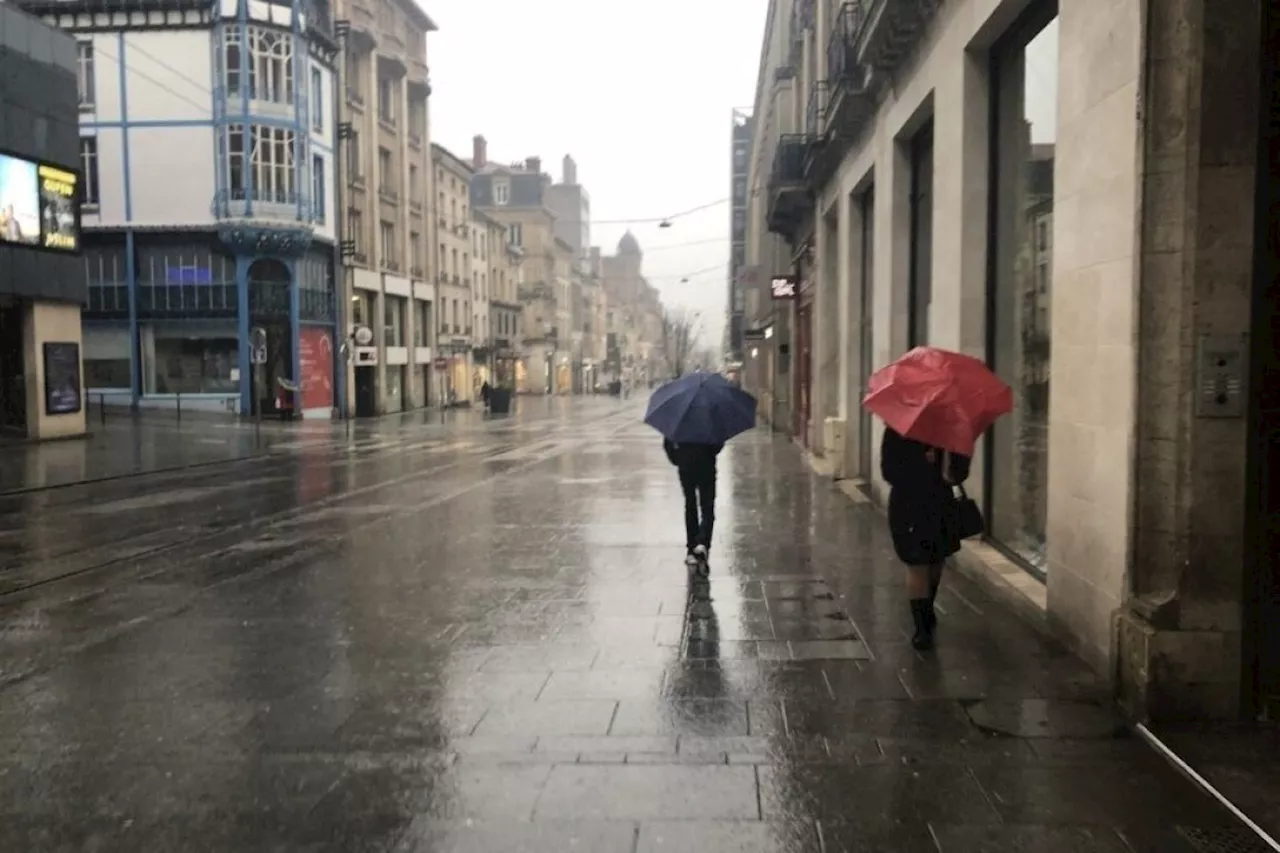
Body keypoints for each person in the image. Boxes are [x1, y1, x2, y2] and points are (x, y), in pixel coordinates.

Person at [880, 427, 971, 650]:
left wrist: (946, 460)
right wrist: (921, 463)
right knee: (917, 564)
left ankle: (927, 607)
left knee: (936, 561)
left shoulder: (952, 431)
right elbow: (889, 471)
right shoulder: (898, 430)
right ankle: (922, 627)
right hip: (908, 504)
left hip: (940, 503)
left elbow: (959, 473)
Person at [663, 438, 722, 566]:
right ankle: (703, 543)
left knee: (690, 505)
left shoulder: (679, 420)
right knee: (707, 507)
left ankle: (691, 549)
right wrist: (709, 453)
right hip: (707, 464)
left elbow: (668, 443)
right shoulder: (710, 420)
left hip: (686, 465)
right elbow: (718, 442)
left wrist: (677, 459)